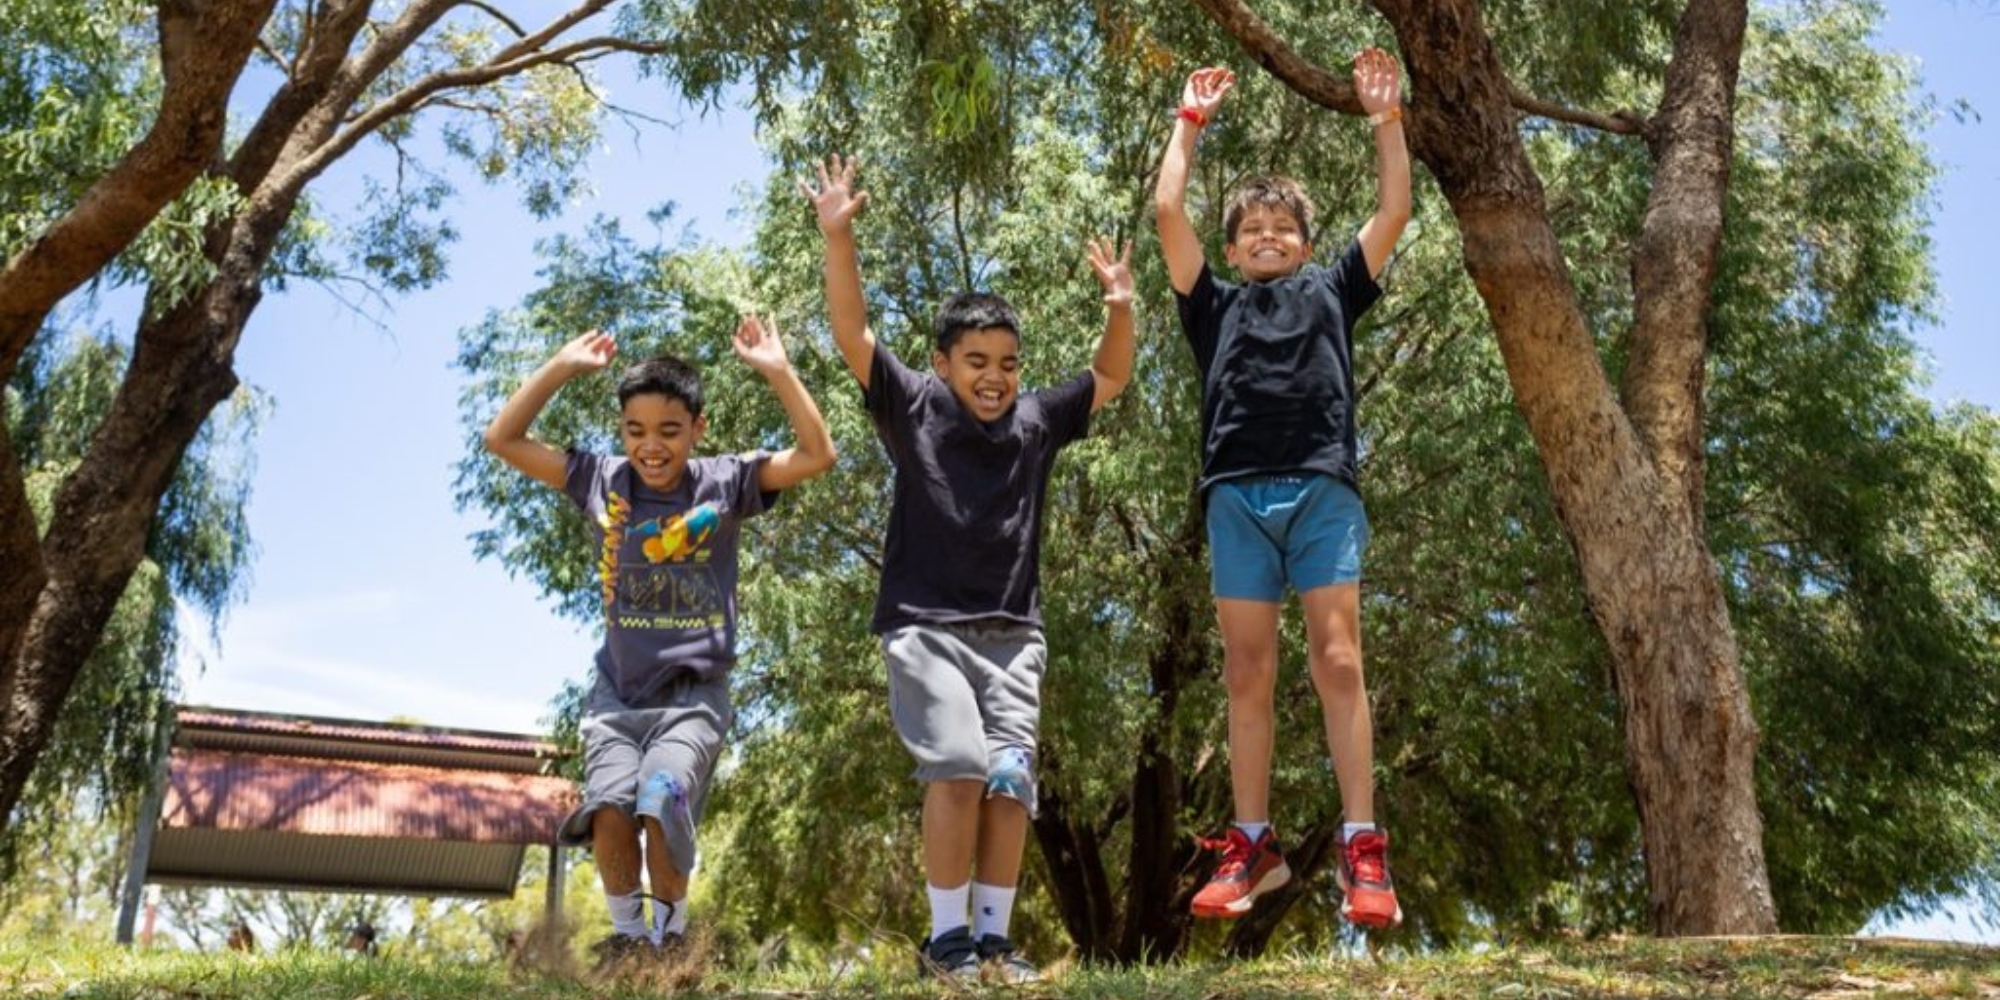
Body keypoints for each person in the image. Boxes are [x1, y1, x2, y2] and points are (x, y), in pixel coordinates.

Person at [801, 153, 1134, 981]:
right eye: (977, 362)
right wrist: (838, 237)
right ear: (944, 363)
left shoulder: (1035, 421)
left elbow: (1111, 374)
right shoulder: (911, 405)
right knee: (955, 766)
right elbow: (851, 333)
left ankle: (993, 940)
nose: (994, 377)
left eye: (1008, 363)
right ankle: (945, 938)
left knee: (1011, 778)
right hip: (926, 630)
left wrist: (1120, 305)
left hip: (1014, 634)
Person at [484, 315, 837, 966]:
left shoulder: (725, 482)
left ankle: (671, 943)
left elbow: (818, 456)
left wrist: (779, 372)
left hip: (693, 698)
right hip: (616, 698)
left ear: (697, 430)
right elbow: (502, 438)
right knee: (611, 811)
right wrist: (560, 366)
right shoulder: (600, 479)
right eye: (636, 431)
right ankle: (630, 942)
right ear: (622, 432)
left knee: (659, 798)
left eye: (669, 432)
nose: (651, 446)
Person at [1152, 49, 1411, 929]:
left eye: (1282, 228)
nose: (1267, 236)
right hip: (1235, 497)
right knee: (1246, 671)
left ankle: (1363, 851)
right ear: (1230, 250)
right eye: (1251, 229)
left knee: (1338, 660)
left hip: (1319, 492)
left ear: (1304, 243)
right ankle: (1251, 845)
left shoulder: (1334, 290)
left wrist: (1386, 120)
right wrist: (1186, 124)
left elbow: (1395, 209)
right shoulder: (1212, 305)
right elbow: (1165, 211)